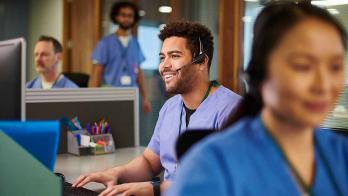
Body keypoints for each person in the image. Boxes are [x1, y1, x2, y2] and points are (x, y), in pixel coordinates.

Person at [167, 2, 348, 196]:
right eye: (303, 66)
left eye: (335, 67)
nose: (323, 85)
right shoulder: (210, 167)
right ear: (261, 72)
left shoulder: (341, 154)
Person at [72, 21, 241, 196]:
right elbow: (149, 162)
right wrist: (116, 173)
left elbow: (223, 181)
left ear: (201, 62)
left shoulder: (232, 110)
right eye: (162, 57)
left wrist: (155, 189)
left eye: (174, 56)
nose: (164, 65)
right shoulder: (170, 108)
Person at [89, 1, 151, 113]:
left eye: (130, 16)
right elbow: (97, 72)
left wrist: (145, 97)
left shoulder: (135, 43)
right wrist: (91, 99)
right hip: (109, 94)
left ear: (134, 19)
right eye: (123, 15)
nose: (126, 19)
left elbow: (139, 73)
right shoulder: (105, 43)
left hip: (131, 94)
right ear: (116, 17)